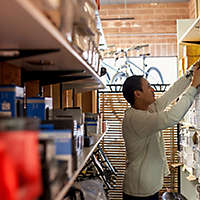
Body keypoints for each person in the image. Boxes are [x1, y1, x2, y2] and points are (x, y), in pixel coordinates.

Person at [122, 62, 200, 200]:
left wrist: (191, 72)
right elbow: (172, 117)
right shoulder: (135, 118)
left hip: (148, 187)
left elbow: (171, 93)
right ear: (137, 93)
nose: (153, 90)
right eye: (148, 87)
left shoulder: (148, 108)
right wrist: (193, 87)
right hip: (139, 192)